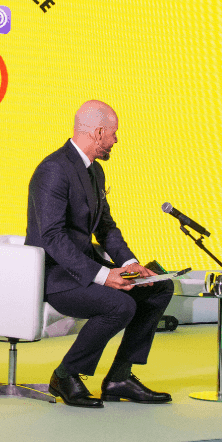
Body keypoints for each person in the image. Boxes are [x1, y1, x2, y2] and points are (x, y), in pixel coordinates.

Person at [25, 100, 173, 408]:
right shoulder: (53, 169)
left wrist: (130, 263)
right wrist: (104, 275)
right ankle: (65, 375)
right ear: (99, 132)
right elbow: (52, 237)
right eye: (114, 133)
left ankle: (119, 377)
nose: (116, 140)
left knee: (159, 286)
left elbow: (106, 228)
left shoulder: (96, 172)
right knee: (120, 305)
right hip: (57, 276)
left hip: (86, 268)